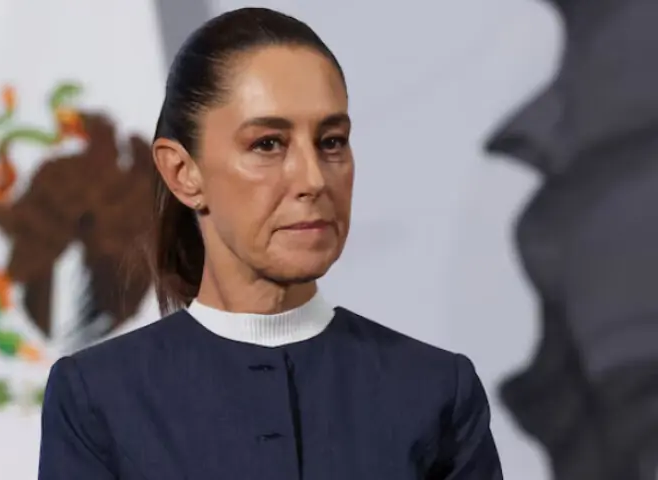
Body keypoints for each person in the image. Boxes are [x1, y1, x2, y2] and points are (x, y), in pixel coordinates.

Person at [37, 7, 503, 479]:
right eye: (267, 144)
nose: (313, 178)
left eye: (332, 141)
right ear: (183, 172)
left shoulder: (436, 391)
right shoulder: (98, 398)